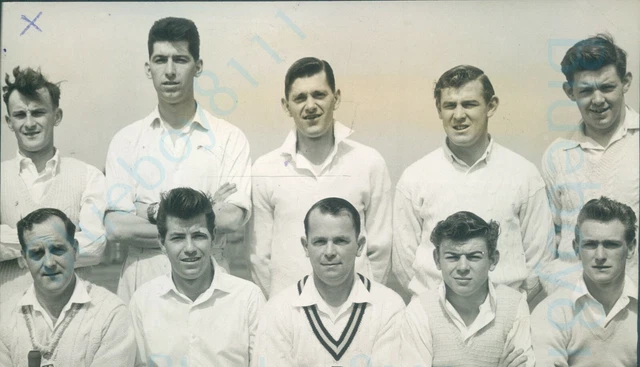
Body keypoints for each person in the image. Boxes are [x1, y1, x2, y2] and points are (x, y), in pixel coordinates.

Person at [104, 17, 251, 303]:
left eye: (180, 60)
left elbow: (232, 218)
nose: (170, 71)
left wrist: (149, 210)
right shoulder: (126, 140)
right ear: (149, 68)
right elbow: (116, 227)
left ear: (198, 66)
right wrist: (206, 209)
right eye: (160, 60)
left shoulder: (229, 137)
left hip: (212, 279)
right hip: (141, 277)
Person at [393, 65, 555, 302]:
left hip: (504, 318)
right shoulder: (414, 177)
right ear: (439, 109)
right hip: (434, 316)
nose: (458, 115)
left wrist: (505, 309)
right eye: (450, 105)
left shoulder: (524, 175)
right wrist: (436, 307)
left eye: (469, 104)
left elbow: (540, 258)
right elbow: (404, 263)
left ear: (491, 106)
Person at [250, 197, 405, 367]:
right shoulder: (279, 307)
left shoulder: (389, 305)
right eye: (320, 241)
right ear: (305, 246)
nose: (329, 252)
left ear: (360, 245)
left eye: (341, 241)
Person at [249, 57, 392, 297]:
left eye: (319, 95)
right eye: (300, 98)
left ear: (336, 98)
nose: (310, 106)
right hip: (289, 313)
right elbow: (260, 256)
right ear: (286, 106)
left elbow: (380, 248)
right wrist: (284, 306)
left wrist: (364, 302)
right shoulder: (264, 169)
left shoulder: (369, 162)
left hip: (357, 310)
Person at [128, 188, 264, 367]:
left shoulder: (248, 297)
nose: (189, 248)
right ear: (162, 243)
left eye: (199, 236)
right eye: (178, 237)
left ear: (214, 237)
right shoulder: (142, 300)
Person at [0, 208, 136, 367]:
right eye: (36, 253)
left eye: (58, 249)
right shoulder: (5, 315)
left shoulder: (110, 311)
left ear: (75, 250)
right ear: (23, 260)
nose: (49, 263)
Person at [399, 211, 534, 367]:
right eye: (452, 256)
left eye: (474, 256)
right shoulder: (420, 309)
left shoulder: (515, 305)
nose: (462, 267)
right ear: (437, 260)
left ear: (493, 259)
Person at [540, 34, 638, 292]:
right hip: (572, 303)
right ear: (569, 92)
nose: (597, 100)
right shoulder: (556, 155)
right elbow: (549, 239)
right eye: (585, 90)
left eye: (607, 87)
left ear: (626, 82)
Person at [1, 66, 107, 303]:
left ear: (56, 116)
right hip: (6, 314)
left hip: (74, 314)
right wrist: (59, 243)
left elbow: (96, 245)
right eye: (20, 115)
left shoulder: (88, 176)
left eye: (38, 113)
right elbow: (82, 245)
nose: (29, 123)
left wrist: (19, 248)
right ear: (9, 121)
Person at [531, 197, 637, 367]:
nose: (599, 255)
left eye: (611, 244)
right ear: (576, 248)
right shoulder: (552, 312)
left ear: (631, 248)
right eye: (590, 244)